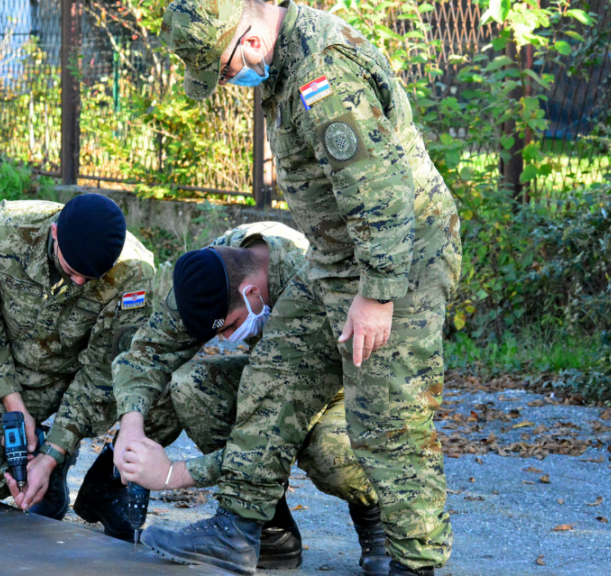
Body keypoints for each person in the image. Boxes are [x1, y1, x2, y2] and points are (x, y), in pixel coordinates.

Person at [130, 1, 463, 575]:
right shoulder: (282, 65)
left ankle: (415, 565)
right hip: (337, 261)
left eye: (226, 69)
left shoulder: (322, 72)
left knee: (389, 419)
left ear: (250, 40)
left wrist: (379, 293)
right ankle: (239, 530)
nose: (231, 82)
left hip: (400, 264)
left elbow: (381, 190)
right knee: (273, 375)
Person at [112, 221, 390, 573]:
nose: (227, 339)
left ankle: (378, 520)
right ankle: (270, 529)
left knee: (328, 450)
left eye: (230, 326)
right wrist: (131, 426)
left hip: (344, 389)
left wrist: (173, 475)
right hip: (279, 383)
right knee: (194, 385)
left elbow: (281, 416)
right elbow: (149, 352)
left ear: (252, 294)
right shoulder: (215, 268)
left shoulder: (307, 285)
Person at [0, 194, 181, 523]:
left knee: (167, 390)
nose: (79, 282)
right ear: (54, 234)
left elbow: (104, 371)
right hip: (16, 374)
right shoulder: (1, 230)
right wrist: (14, 404)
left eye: (89, 278)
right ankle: (42, 473)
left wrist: (54, 451)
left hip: (83, 380)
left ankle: (100, 485)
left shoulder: (133, 272)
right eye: (72, 271)